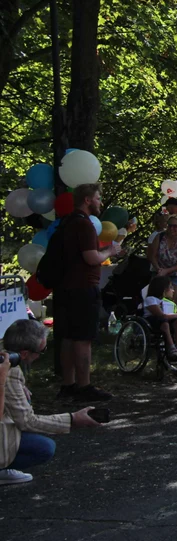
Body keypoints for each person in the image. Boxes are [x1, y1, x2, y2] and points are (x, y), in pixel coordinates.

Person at [1, 320, 101, 485]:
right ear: (25, 354)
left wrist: (20, 387)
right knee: (44, 448)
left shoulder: (4, 361)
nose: (41, 355)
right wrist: (73, 419)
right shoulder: (10, 372)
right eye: (42, 350)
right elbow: (27, 421)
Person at [54, 183, 122, 403]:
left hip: (66, 287)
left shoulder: (67, 222)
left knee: (68, 337)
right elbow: (91, 258)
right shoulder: (84, 226)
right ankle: (84, 386)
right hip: (83, 288)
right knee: (83, 338)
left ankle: (68, 384)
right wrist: (110, 250)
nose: (100, 201)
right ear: (87, 200)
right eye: (98, 197)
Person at [143, 275, 177, 360]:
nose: (173, 290)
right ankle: (171, 346)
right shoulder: (151, 299)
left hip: (167, 320)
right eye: (171, 287)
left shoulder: (169, 302)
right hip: (153, 321)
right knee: (165, 322)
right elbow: (161, 315)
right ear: (163, 289)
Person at [149, 215, 177, 297]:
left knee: (172, 298)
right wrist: (159, 269)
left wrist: (167, 271)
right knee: (156, 296)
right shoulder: (159, 237)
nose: (172, 228)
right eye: (169, 225)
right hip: (159, 270)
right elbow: (152, 256)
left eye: (175, 226)